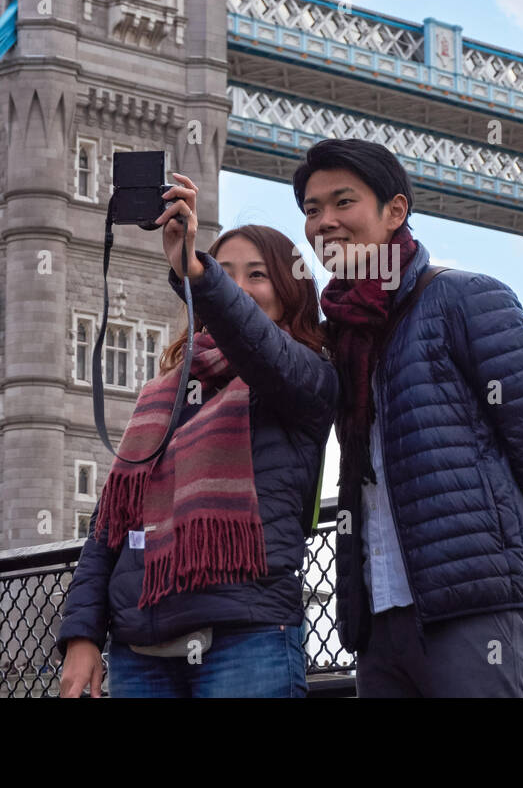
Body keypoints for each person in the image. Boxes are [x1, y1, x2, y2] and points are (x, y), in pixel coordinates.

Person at [292, 138, 523, 698]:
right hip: (376, 616)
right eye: (311, 209)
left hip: (474, 609)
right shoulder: (340, 335)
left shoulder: (466, 298)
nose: (325, 221)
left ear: (395, 211)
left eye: (342, 202)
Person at [56, 173, 338, 698]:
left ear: (289, 292)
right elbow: (109, 528)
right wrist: (81, 634)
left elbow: (262, 351)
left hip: (246, 634)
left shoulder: (305, 378)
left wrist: (201, 274)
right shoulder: (165, 391)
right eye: (224, 272)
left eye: (257, 275)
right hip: (140, 645)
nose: (237, 285)